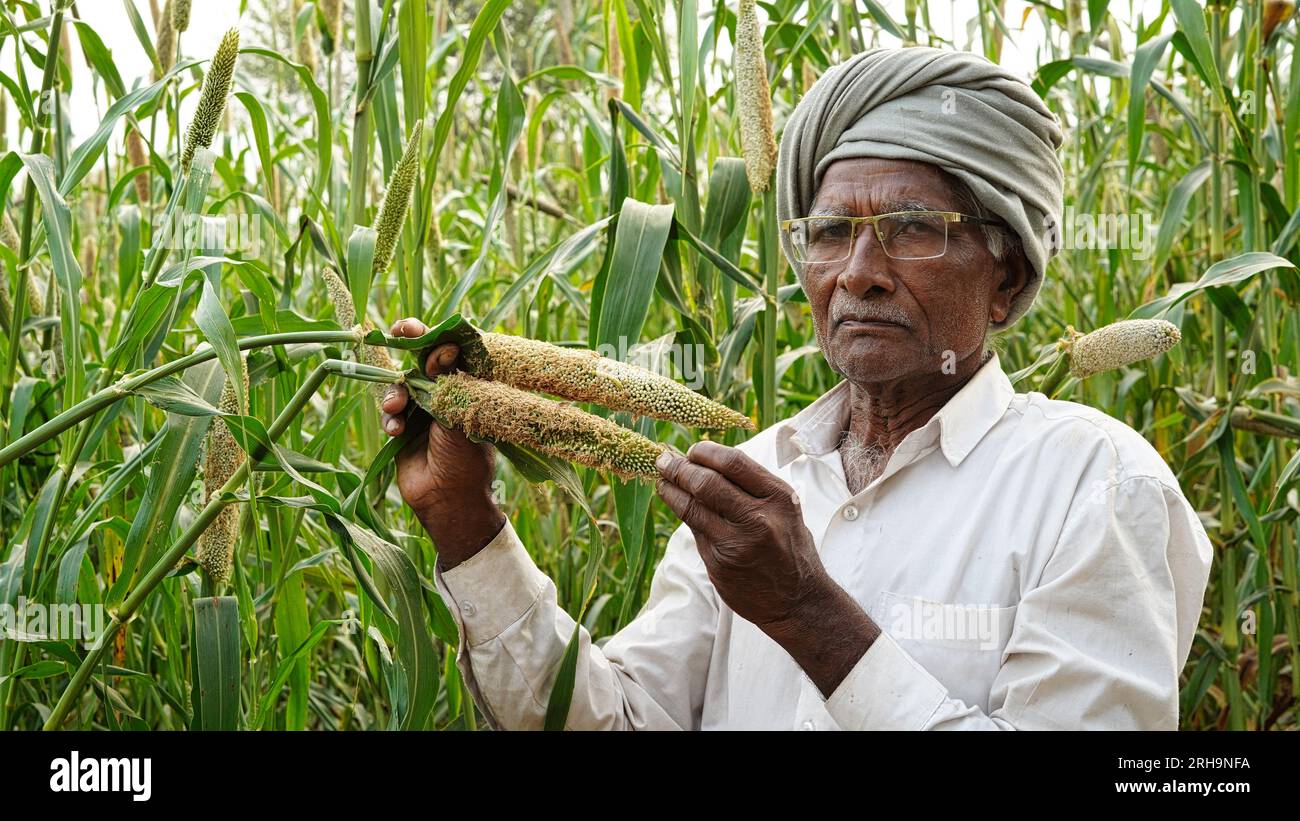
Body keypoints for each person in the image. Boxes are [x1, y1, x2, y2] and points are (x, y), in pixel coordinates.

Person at [376, 47, 1213, 730]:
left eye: (913, 229)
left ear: (1007, 277)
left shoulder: (1094, 485)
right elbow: (618, 719)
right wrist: (465, 522)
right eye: (829, 232)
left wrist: (809, 612)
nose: (858, 274)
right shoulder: (753, 475)